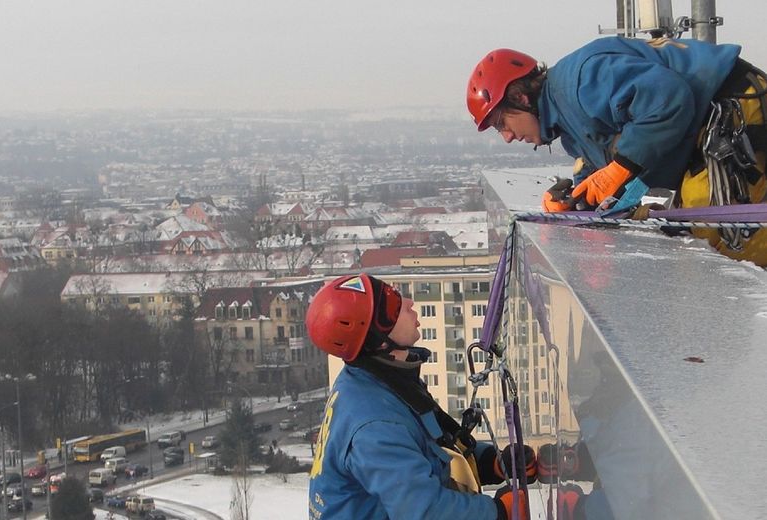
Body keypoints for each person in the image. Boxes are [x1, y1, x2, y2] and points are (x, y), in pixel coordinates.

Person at [466, 36, 767, 265]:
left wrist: (621, 167)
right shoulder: (567, 124)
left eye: (501, 122)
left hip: (733, 108)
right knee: (687, 228)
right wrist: (576, 199)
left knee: (719, 235)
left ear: (520, 97)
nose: (506, 137)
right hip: (706, 127)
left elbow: (670, 99)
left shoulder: (581, 82)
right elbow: (606, 168)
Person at [305, 273, 527, 520]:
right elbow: (425, 511)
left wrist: (491, 463)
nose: (409, 303)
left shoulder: (383, 384)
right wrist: (499, 512)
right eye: (393, 306)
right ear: (377, 340)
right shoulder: (377, 425)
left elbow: (430, 446)